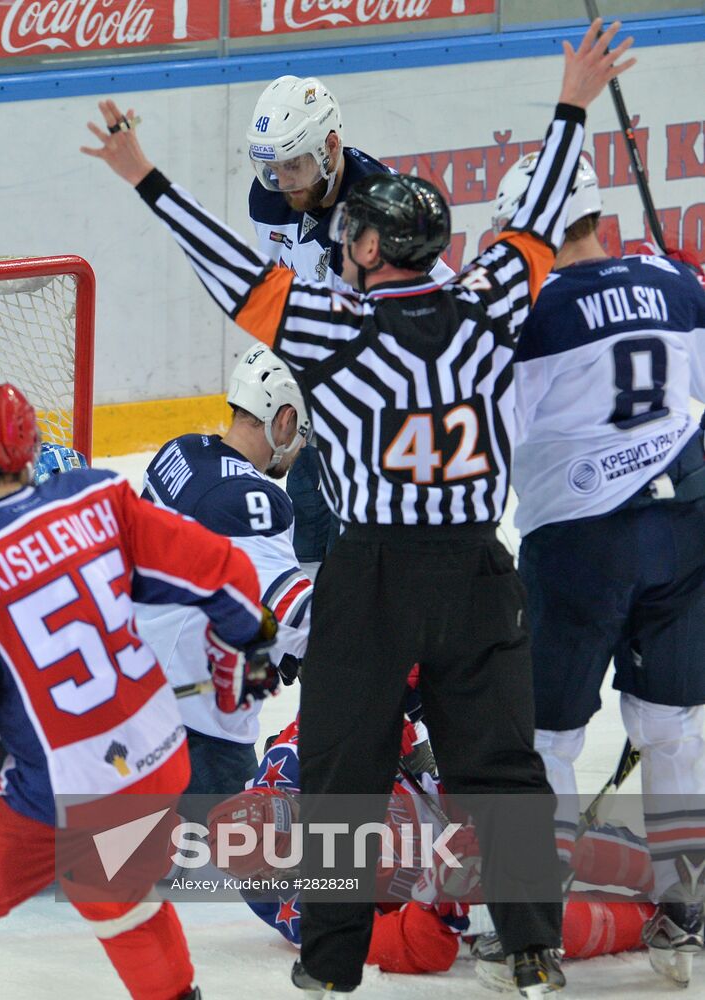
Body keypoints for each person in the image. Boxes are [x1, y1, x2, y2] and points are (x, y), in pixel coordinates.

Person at [82, 18, 635, 997]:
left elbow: (230, 276)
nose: (341, 243)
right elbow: (541, 211)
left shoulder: (332, 331)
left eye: (351, 236)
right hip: (475, 569)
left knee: (341, 769)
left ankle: (329, 963)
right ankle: (532, 948)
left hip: (372, 571)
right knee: (499, 767)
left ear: (374, 246)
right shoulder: (488, 299)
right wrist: (571, 102)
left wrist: (144, 177)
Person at [0, 382, 280, 1000]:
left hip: (65, 790)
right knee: (114, 895)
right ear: (33, 452)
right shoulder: (96, 499)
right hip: (158, 760)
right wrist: (245, 645)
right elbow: (226, 575)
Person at [492, 150, 705, 987]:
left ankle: (535, 918)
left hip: (582, 544)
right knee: (672, 724)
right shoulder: (677, 280)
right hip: (688, 521)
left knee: (547, 733)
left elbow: (495, 442)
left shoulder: (530, 315)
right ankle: (684, 901)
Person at [209, 718, 656, 976]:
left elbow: (364, 699)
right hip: (430, 883)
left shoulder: (290, 760)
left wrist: (393, 727)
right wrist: (441, 904)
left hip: (444, 800)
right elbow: (409, 948)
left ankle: (669, 870)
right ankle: (656, 921)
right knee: (537, 925)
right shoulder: (298, 909)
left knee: (539, 836)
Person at [244, 74, 453, 575]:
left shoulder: (381, 208)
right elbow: (281, 287)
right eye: (270, 168)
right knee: (308, 515)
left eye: (292, 165)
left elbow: (433, 314)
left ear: (330, 145)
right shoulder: (269, 196)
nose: (281, 181)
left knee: (368, 543)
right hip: (326, 387)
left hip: (389, 400)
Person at [138, 343, 313, 797]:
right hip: (197, 734)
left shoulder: (178, 453)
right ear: (285, 418)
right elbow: (294, 612)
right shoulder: (254, 501)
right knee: (229, 860)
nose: (301, 446)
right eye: (304, 430)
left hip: (132, 701)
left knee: (122, 860)